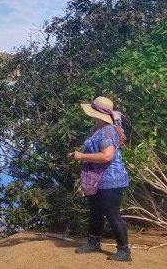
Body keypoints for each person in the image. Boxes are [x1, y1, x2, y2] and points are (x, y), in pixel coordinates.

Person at [68, 96, 130, 262]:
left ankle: (124, 251)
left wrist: (82, 156)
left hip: (111, 179)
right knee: (95, 211)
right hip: (96, 179)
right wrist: (80, 155)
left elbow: (107, 156)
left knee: (112, 213)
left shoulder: (108, 131)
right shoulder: (96, 128)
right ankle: (93, 243)